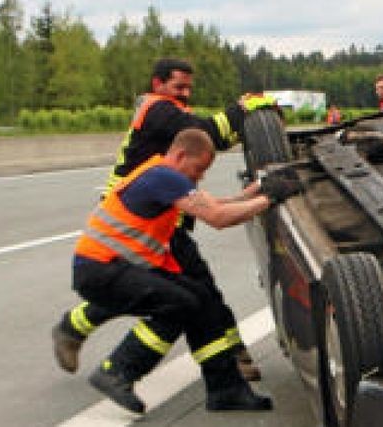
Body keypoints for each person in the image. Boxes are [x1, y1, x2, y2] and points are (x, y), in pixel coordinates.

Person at [52, 58, 277, 390]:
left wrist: (251, 192)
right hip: (139, 220)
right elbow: (207, 134)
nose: (185, 94)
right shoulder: (159, 110)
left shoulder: (169, 116)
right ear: (157, 84)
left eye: (189, 88)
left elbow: (211, 145)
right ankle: (227, 365)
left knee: (167, 289)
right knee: (191, 292)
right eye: (178, 87)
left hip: (155, 217)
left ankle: (74, 327)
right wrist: (241, 111)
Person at [71, 129, 301, 414]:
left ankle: (225, 389)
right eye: (199, 169)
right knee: (179, 302)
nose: (200, 177)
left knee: (201, 298)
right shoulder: (164, 176)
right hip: (100, 269)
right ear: (180, 156)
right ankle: (118, 371)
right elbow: (217, 218)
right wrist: (270, 199)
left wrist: (257, 192)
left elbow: (214, 205)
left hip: (117, 268)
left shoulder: (166, 177)